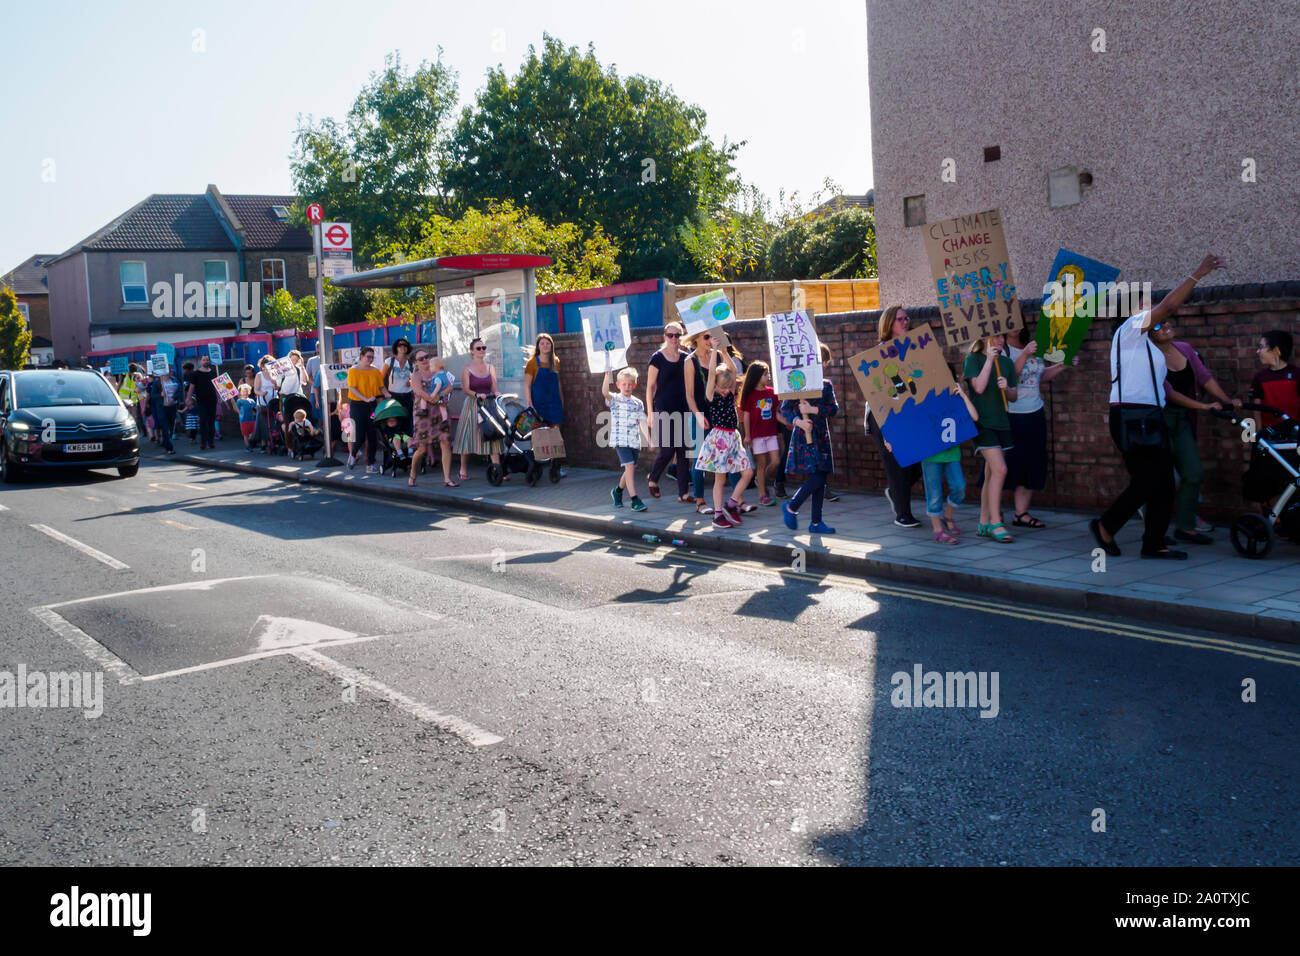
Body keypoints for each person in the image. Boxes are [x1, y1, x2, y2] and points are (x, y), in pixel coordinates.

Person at [1092, 253, 1226, 561]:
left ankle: (1154, 544)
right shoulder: (1127, 332)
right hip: (1130, 415)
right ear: (1130, 311)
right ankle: (1105, 526)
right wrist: (1197, 274)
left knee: (1163, 483)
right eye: (1144, 303)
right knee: (1150, 480)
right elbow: (1169, 307)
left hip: (1150, 416)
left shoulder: (1147, 344)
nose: (1150, 307)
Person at [1152, 319, 1239, 544]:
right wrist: (1205, 407)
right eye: (1159, 325)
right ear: (1149, 333)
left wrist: (1226, 401)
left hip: (1181, 420)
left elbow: (1204, 377)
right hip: (1158, 419)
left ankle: (1186, 526)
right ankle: (1153, 531)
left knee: (1193, 472)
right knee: (1158, 477)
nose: (1166, 325)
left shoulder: (1184, 349)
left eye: (1167, 322)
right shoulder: (1148, 355)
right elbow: (1168, 393)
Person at [1005, 327, 1075, 529]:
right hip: (1013, 414)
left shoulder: (1035, 346)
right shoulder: (1001, 349)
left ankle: (1021, 513)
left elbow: (1040, 376)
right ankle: (992, 513)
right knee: (1010, 465)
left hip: (1035, 411)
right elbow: (1011, 376)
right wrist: (1025, 353)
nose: (1015, 326)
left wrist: (1063, 366)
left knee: (1033, 463)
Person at [868, 306, 922, 528]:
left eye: (906, 318)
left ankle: (894, 492)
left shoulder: (913, 348)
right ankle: (903, 514)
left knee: (915, 465)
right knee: (897, 464)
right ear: (889, 324)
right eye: (900, 319)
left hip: (908, 413)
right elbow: (877, 392)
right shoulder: (880, 354)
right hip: (884, 415)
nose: (905, 322)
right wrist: (886, 429)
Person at [964, 334, 1019, 542]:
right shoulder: (973, 359)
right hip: (982, 422)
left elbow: (1014, 396)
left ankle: (984, 522)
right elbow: (978, 388)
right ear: (984, 338)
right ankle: (997, 523)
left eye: (1003, 336)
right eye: (995, 337)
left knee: (990, 474)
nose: (1000, 340)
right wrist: (988, 360)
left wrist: (1008, 388)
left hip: (1001, 422)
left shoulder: (1006, 363)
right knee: (1000, 469)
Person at [779, 345, 839, 534]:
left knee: (821, 476)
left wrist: (812, 410)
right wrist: (799, 421)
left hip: (820, 435)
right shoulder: (796, 384)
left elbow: (833, 409)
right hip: (804, 437)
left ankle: (816, 523)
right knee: (818, 475)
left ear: (826, 364)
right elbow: (785, 410)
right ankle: (792, 506)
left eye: (820, 363)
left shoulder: (826, 385)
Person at [696, 353, 755, 528]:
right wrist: (714, 351)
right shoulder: (711, 397)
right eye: (723, 387)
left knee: (748, 472)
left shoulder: (730, 394)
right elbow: (712, 372)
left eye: (729, 387)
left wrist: (723, 349)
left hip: (733, 437)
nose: (727, 390)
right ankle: (718, 515)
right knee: (720, 480)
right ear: (715, 384)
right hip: (719, 439)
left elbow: (734, 369)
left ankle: (731, 504)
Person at [922, 384, 979, 544]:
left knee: (959, 487)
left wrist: (963, 396)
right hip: (931, 456)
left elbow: (974, 417)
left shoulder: (955, 401)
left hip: (951, 454)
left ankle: (947, 517)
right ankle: (937, 530)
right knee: (934, 494)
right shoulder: (925, 400)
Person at [645, 322, 694, 504]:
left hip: (682, 408)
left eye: (677, 335)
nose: (674, 339)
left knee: (683, 452)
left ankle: (683, 493)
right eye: (670, 335)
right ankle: (653, 478)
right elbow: (650, 387)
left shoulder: (686, 358)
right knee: (667, 450)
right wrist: (650, 412)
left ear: (681, 336)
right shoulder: (657, 358)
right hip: (663, 409)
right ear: (665, 337)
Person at [451, 338, 505, 481]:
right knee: (468, 436)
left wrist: (497, 393)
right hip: (473, 404)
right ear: (472, 351)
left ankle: (497, 469)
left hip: (488, 404)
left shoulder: (490, 367)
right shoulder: (467, 368)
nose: (482, 350)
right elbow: (466, 389)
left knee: (493, 434)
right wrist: (476, 394)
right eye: (478, 348)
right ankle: (463, 468)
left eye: (483, 347)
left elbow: (493, 386)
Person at [602, 363, 651, 512]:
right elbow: (605, 392)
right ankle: (634, 499)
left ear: (634, 385)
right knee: (629, 467)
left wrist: (649, 440)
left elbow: (642, 422)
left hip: (634, 441)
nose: (627, 387)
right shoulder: (615, 399)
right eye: (624, 384)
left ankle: (617, 491)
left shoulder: (638, 403)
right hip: (620, 440)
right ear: (618, 385)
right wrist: (606, 375)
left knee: (630, 469)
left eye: (630, 384)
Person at [410, 349, 456, 487]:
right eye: (421, 358)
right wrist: (433, 398)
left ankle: (447, 478)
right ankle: (412, 473)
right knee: (422, 448)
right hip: (423, 413)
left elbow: (449, 387)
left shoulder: (438, 370)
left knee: (445, 443)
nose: (425, 360)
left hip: (440, 411)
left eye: (426, 357)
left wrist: (440, 397)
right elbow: (419, 391)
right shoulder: (415, 375)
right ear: (415, 362)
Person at [740, 361, 781, 506]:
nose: (768, 376)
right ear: (757, 376)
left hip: (771, 432)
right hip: (757, 435)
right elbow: (746, 416)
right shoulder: (750, 395)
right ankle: (763, 495)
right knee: (761, 463)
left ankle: (760, 479)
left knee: (775, 461)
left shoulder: (772, 392)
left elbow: (776, 413)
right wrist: (748, 435)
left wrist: (788, 422)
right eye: (766, 374)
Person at [524, 333, 565, 475]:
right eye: (542, 343)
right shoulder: (532, 363)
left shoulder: (556, 361)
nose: (545, 345)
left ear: (551, 345)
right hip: (538, 404)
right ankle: (537, 467)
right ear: (538, 346)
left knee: (555, 435)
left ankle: (556, 467)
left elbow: (558, 383)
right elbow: (527, 385)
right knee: (539, 436)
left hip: (554, 403)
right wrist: (530, 402)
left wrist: (561, 400)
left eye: (548, 343)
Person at [1248, 330, 1300, 429]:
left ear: (1276, 350)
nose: (1258, 351)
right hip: (1268, 435)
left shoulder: (1297, 375)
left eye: (1261, 347)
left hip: (1295, 434)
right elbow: (1257, 409)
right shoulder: (1260, 378)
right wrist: (1259, 435)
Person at [346, 347, 384, 474]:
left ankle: (370, 464)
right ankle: (353, 454)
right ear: (361, 356)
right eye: (368, 356)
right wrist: (365, 398)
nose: (370, 359)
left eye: (372, 357)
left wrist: (388, 395)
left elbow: (381, 387)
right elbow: (353, 389)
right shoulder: (353, 370)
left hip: (372, 405)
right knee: (360, 435)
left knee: (372, 434)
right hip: (358, 404)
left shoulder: (375, 371)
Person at [185, 352, 221, 450]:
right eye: (204, 360)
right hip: (201, 401)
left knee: (211, 421)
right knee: (203, 421)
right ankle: (203, 442)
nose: (206, 361)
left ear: (209, 361)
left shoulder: (213, 373)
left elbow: (219, 387)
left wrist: (221, 397)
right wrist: (188, 398)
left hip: (212, 400)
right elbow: (191, 387)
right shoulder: (196, 374)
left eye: (207, 360)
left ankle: (211, 442)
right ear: (201, 361)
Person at [382, 338, 415, 422]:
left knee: (407, 421)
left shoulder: (411, 363)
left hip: (408, 396)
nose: (402, 347)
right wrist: (385, 393)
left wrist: (411, 381)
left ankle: (407, 435)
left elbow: (415, 378)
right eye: (400, 345)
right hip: (393, 396)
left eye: (405, 345)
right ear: (396, 348)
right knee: (394, 421)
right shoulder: (389, 361)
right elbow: (380, 379)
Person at [155, 369, 180, 456]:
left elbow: (179, 391)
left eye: (171, 370)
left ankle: (165, 443)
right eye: (168, 370)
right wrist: (160, 395)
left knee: (171, 427)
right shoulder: (158, 382)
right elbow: (153, 395)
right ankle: (170, 448)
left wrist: (174, 398)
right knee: (165, 428)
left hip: (172, 407)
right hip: (162, 408)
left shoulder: (175, 380)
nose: (170, 372)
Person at [236, 384, 258, 450]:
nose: (245, 392)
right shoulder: (239, 401)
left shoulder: (252, 400)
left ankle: (249, 442)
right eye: (243, 391)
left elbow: (255, 408)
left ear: (249, 392)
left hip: (251, 419)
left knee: (253, 432)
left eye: (246, 391)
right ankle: (247, 446)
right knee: (245, 434)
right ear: (240, 392)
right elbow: (237, 409)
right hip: (243, 420)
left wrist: (256, 411)